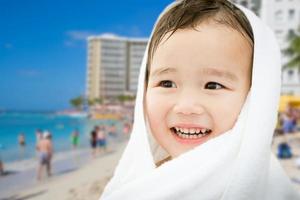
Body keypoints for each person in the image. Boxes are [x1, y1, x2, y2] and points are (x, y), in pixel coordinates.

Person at [100, 1, 299, 199]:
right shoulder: (134, 185)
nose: (186, 107)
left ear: (254, 98)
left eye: (213, 85)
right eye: (167, 83)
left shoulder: (269, 192)